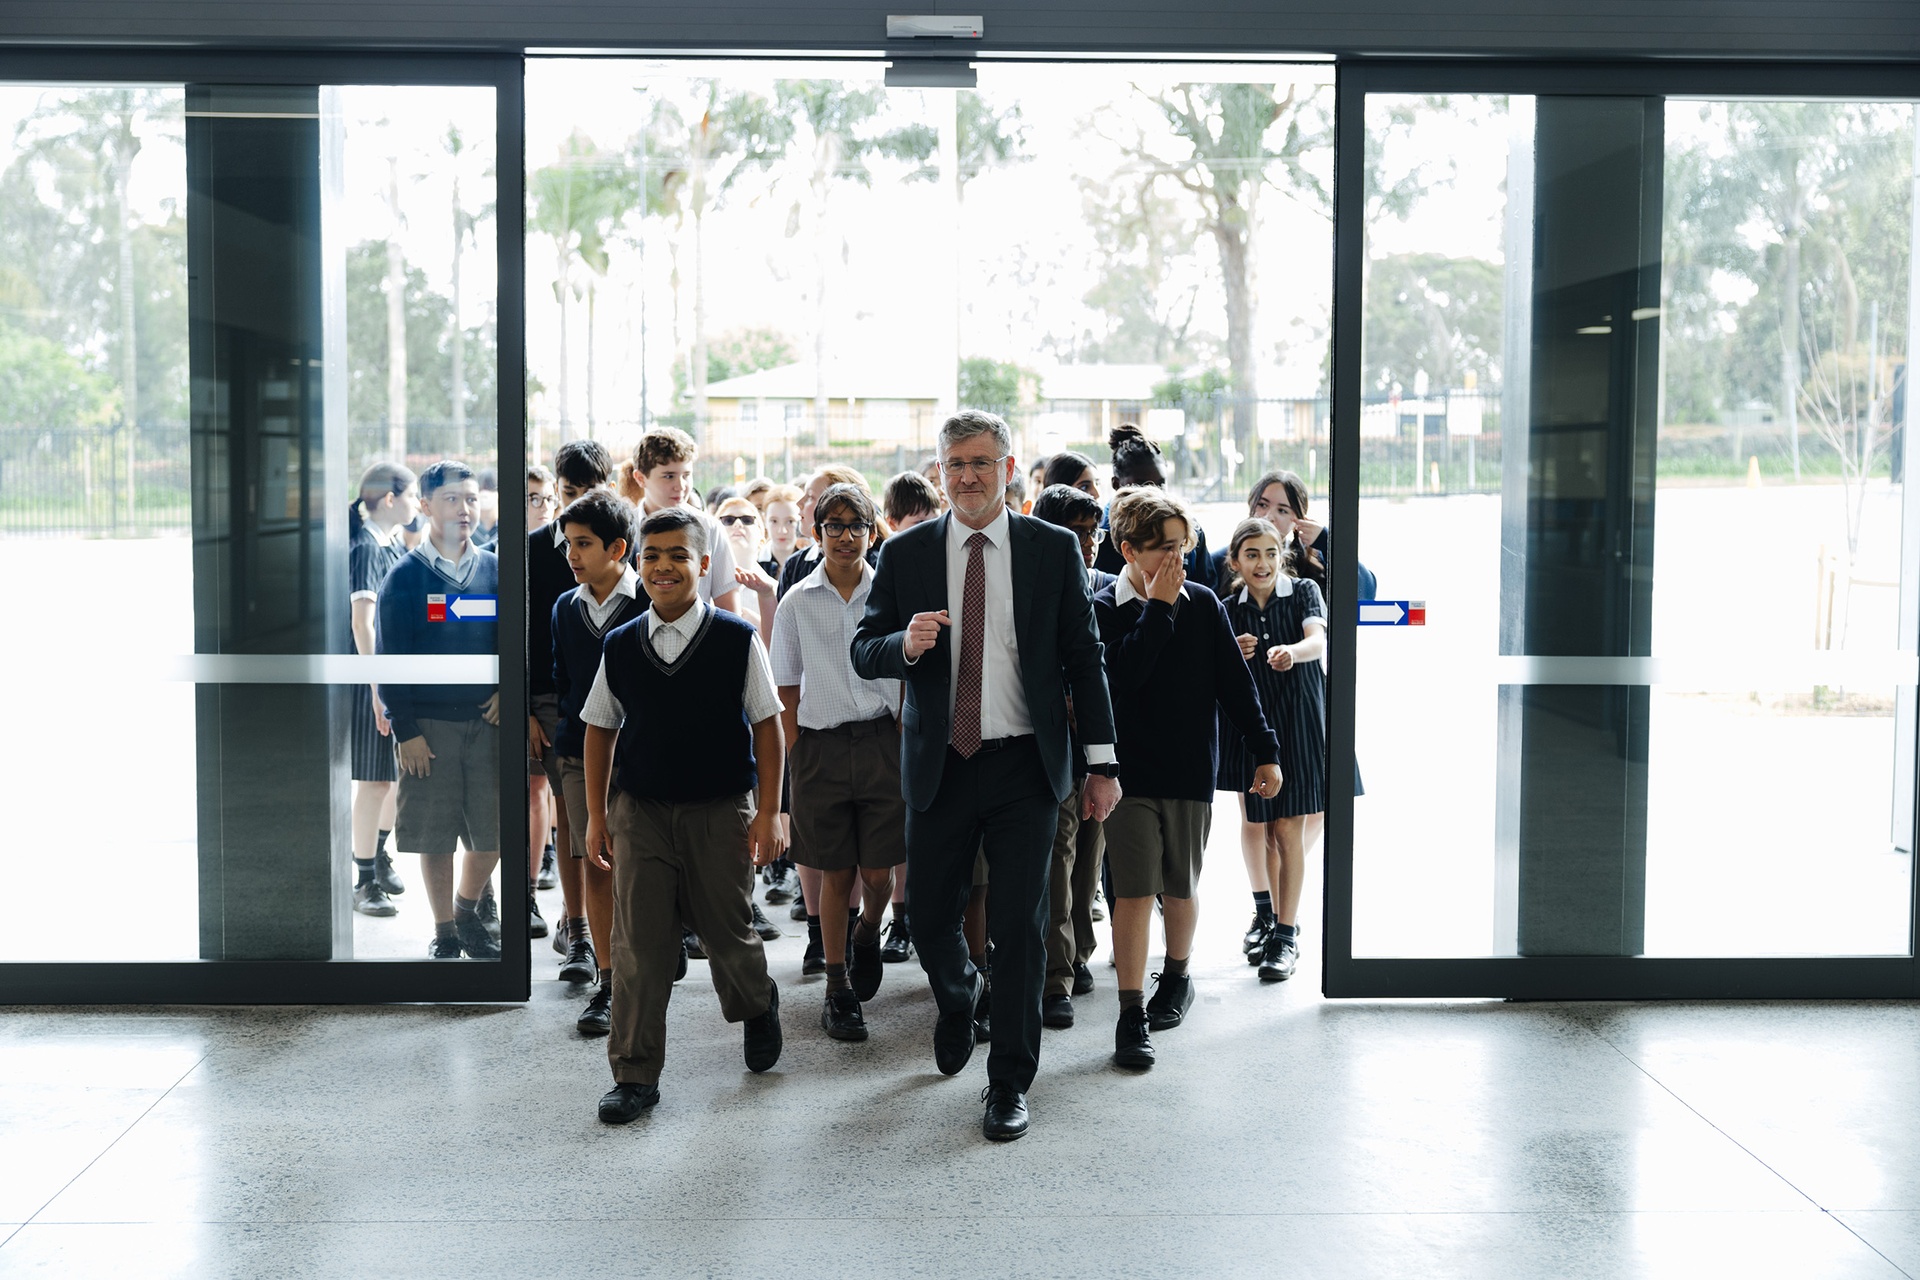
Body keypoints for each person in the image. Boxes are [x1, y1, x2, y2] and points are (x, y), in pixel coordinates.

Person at [853, 409, 1120, 1143]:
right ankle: (958, 993)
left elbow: (1083, 659)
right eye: (953, 463)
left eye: (980, 462)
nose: (966, 475)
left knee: (1020, 927)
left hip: (1024, 768)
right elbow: (863, 649)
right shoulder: (905, 554)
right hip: (940, 765)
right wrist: (901, 644)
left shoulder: (1051, 548)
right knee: (933, 917)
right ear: (940, 472)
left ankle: (1008, 1083)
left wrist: (1102, 763)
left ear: (1007, 469)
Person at [583, 507, 787, 1122]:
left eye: (678, 556)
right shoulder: (619, 646)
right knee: (639, 943)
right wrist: (597, 815)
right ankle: (635, 1073)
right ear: (636, 564)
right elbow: (598, 729)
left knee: (727, 932)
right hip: (640, 812)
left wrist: (770, 813)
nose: (663, 567)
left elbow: (769, 728)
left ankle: (757, 1001)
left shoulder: (735, 639)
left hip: (720, 809)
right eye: (651, 556)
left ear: (702, 564)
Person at [1094, 487, 1280, 1070]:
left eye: (1182, 546)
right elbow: (1122, 676)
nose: (1176, 560)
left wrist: (1265, 752)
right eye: (1162, 549)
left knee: (1179, 886)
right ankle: (1129, 1014)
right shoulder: (1104, 606)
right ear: (1129, 550)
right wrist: (1158, 608)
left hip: (1189, 769)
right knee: (1132, 891)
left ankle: (1176, 976)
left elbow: (1236, 687)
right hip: (1127, 774)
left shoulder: (1204, 604)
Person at [771, 483, 905, 1042]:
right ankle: (837, 986)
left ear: (872, 533)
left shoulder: (890, 596)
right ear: (816, 532)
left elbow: (905, 673)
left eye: (856, 526)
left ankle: (869, 928)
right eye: (834, 526)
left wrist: (898, 740)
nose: (845, 536)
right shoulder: (798, 600)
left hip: (881, 742)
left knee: (877, 872)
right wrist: (799, 753)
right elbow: (786, 685)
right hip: (821, 747)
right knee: (835, 872)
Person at [375, 460, 503, 960]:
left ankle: (468, 910)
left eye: (470, 498)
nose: (464, 509)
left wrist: (506, 690)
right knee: (435, 837)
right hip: (427, 730)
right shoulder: (404, 579)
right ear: (425, 507)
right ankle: (446, 931)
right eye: (451, 499)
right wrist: (405, 729)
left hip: (487, 724)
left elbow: (514, 642)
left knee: (492, 835)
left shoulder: (495, 570)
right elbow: (392, 659)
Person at [549, 489, 649, 1035]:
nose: (572, 555)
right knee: (596, 861)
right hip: (577, 753)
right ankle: (608, 984)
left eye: (584, 544)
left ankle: (644, 970)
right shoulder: (566, 607)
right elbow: (566, 682)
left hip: (640, 755)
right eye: (568, 544)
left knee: (644, 866)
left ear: (618, 547)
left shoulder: (648, 604)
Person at [1218, 517, 1326, 982]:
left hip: (1298, 717)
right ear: (1236, 561)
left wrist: (1292, 651)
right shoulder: (1225, 607)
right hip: (1250, 724)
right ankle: (1263, 914)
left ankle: (1286, 935)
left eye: (1269, 553)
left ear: (1281, 555)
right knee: (1259, 826)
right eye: (1251, 554)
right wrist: (1229, 652)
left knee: (1287, 828)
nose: (1262, 563)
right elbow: (1208, 666)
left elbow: (1319, 639)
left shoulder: (1302, 592)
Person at [1028, 483, 1118, 1027]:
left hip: (1099, 744)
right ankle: (1057, 975)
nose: (1088, 543)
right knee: (1059, 854)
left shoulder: (1107, 590)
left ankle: (1080, 949)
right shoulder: (1036, 588)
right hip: (1053, 742)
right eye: (1077, 533)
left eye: (1094, 532)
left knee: (1091, 854)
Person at [530, 441, 617, 985]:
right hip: (554, 698)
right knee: (570, 819)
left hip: (619, 705)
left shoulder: (624, 548)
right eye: (568, 494)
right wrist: (531, 707)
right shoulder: (537, 549)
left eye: (589, 492)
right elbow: (528, 636)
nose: (576, 503)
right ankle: (578, 928)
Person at [348, 461, 418, 918]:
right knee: (375, 781)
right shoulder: (367, 549)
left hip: (388, 678)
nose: (417, 504)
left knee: (391, 779)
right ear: (390, 499)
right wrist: (377, 689)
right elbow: (362, 624)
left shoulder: (388, 543)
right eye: (411, 494)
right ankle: (364, 878)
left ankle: (377, 854)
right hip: (373, 680)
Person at [1092, 424, 1212, 585]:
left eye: (1160, 484)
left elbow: (1208, 589)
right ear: (1116, 484)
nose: (1153, 493)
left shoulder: (1189, 530)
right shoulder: (1098, 536)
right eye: (1141, 486)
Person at [523, 463, 560, 942]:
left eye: (542, 498)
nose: (537, 506)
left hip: (563, 695)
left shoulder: (566, 551)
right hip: (531, 696)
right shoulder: (508, 556)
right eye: (527, 498)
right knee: (530, 791)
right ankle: (526, 894)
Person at [715, 494, 772, 640]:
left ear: (761, 535)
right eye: (728, 520)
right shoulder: (701, 585)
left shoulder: (775, 589)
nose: (738, 525)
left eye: (747, 520)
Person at [883, 469, 940, 534]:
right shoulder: (890, 544)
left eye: (936, 521)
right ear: (892, 523)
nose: (931, 528)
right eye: (920, 522)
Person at [472, 466, 500, 551]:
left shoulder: (509, 527)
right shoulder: (467, 527)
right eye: (481, 489)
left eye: (490, 489)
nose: (485, 494)